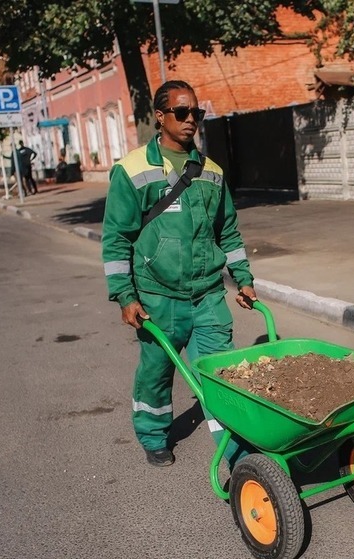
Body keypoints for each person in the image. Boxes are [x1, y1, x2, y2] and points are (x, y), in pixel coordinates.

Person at [102, 80, 258, 468]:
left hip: (207, 295)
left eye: (197, 114)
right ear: (160, 116)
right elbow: (117, 238)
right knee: (156, 372)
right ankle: (153, 434)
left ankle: (237, 451)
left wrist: (243, 277)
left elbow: (229, 231)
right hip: (158, 297)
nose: (191, 120)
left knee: (222, 374)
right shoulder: (132, 170)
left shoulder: (212, 172)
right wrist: (125, 295)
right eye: (181, 112)